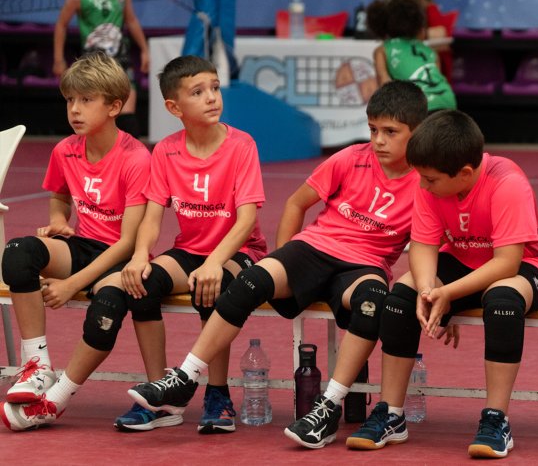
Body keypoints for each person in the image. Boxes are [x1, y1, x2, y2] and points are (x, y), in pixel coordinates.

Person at [127, 80, 429, 449]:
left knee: (371, 305)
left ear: (416, 133)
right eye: (373, 130)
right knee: (249, 281)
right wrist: (285, 257)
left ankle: (328, 407)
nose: (378, 140)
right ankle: (186, 377)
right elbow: (296, 204)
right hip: (312, 249)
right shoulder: (351, 158)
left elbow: (429, 246)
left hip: (364, 266)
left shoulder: (426, 183)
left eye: (390, 132)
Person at [369, 110, 538, 458]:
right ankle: (391, 413)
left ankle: (496, 419)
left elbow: (507, 262)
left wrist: (449, 293)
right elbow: (424, 246)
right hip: (461, 259)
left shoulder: (507, 182)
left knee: (502, 301)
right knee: (401, 298)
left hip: (525, 266)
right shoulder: (430, 179)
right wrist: (430, 291)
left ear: (466, 173)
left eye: (430, 180)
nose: (423, 186)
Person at [94, 54, 266, 433]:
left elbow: (247, 221)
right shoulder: (167, 150)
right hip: (190, 248)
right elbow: (152, 217)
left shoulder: (241, 145)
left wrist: (214, 262)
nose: (212, 98)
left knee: (216, 285)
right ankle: (162, 396)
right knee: (139, 284)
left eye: (215, 88)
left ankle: (218, 395)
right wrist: (139, 256)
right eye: (198, 92)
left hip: (239, 250)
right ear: (174, 107)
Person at [2, 52, 151, 430]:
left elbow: (128, 242)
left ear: (115, 106)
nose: (75, 109)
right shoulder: (65, 149)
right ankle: (37, 367)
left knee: (108, 302)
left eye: (87, 100)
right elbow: (59, 195)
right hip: (82, 245)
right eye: (70, 100)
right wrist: (57, 222)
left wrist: (71, 285)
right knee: (18, 253)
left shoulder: (136, 157)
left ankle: (58, 397)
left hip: (122, 257)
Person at [52, 0, 151, 134]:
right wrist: (58, 59)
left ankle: (132, 162)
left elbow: (131, 21)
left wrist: (145, 50)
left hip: (120, 61)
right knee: (96, 120)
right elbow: (61, 25)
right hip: (94, 65)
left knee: (127, 119)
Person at [367, 0, 457, 111]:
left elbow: (384, 83)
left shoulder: (383, 49)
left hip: (419, 106)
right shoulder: (430, 51)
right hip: (447, 100)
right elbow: (435, 77)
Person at [389, 0, 454, 75]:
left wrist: (411, 34)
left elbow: (441, 33)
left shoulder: (428, 8)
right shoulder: (388, 8)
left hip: (422, 63)